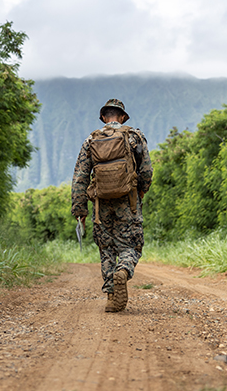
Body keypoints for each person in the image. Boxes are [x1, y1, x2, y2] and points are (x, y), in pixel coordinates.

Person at [71, 99, 153, 312]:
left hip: (101, 205)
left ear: (104, 118)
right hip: (128, 201)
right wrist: (141, 191)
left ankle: (110, 297)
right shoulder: (134, 137)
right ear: (123, 116)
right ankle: (124, 270)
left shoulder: (91, 140)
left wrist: (80, 210)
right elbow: (146, 171)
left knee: (106, 247)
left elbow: (80, 176)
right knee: (132, 244)